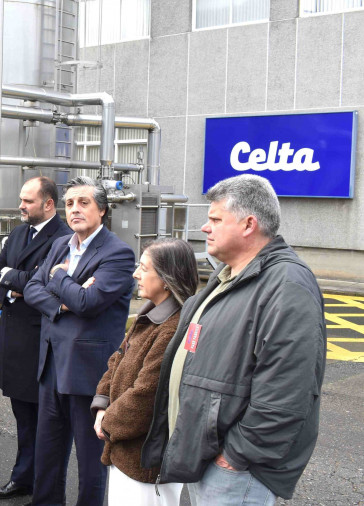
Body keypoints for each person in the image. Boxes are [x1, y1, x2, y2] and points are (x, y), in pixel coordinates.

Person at [142, 174, 326, 505]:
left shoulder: (287, 285)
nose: (204, 227)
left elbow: (288, 390)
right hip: (208, 456)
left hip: (235, 470)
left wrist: (237, 455)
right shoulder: (228, 275)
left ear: (248, 224)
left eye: (215, 219)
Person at [23, 176, 135, 506]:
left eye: (83, 203)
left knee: (90, 462)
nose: (74, 209)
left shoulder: (118, 254)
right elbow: (31, 288)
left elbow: (89, 304)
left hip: (89, 373)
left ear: (102, 209)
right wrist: (62, 302)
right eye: (69, 203)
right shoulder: (61, 245)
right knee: (48, 454)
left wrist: (58, 277)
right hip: (52, 366)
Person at [90, 238, 198, 505]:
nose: (135, 273)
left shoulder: (173, 328)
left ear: (166, 279)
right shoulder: (150, 313)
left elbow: (147, 395)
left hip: (145, 460)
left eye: (144, 267)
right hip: (126, 449)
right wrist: (102, 405)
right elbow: (117, 360)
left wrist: (107, 422)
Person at [0, 176, 71, 500]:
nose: (21, 205)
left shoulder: (62, 238)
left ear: (48, 204)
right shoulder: (19, 232)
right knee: (23, 416)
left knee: (45, 422)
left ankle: (40, 485)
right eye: (21, 199)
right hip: (15, 336)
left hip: (40, 342)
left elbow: (45, 283)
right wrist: (13, 289)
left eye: (28, 201)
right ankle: (24, 477)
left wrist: (18, 279)